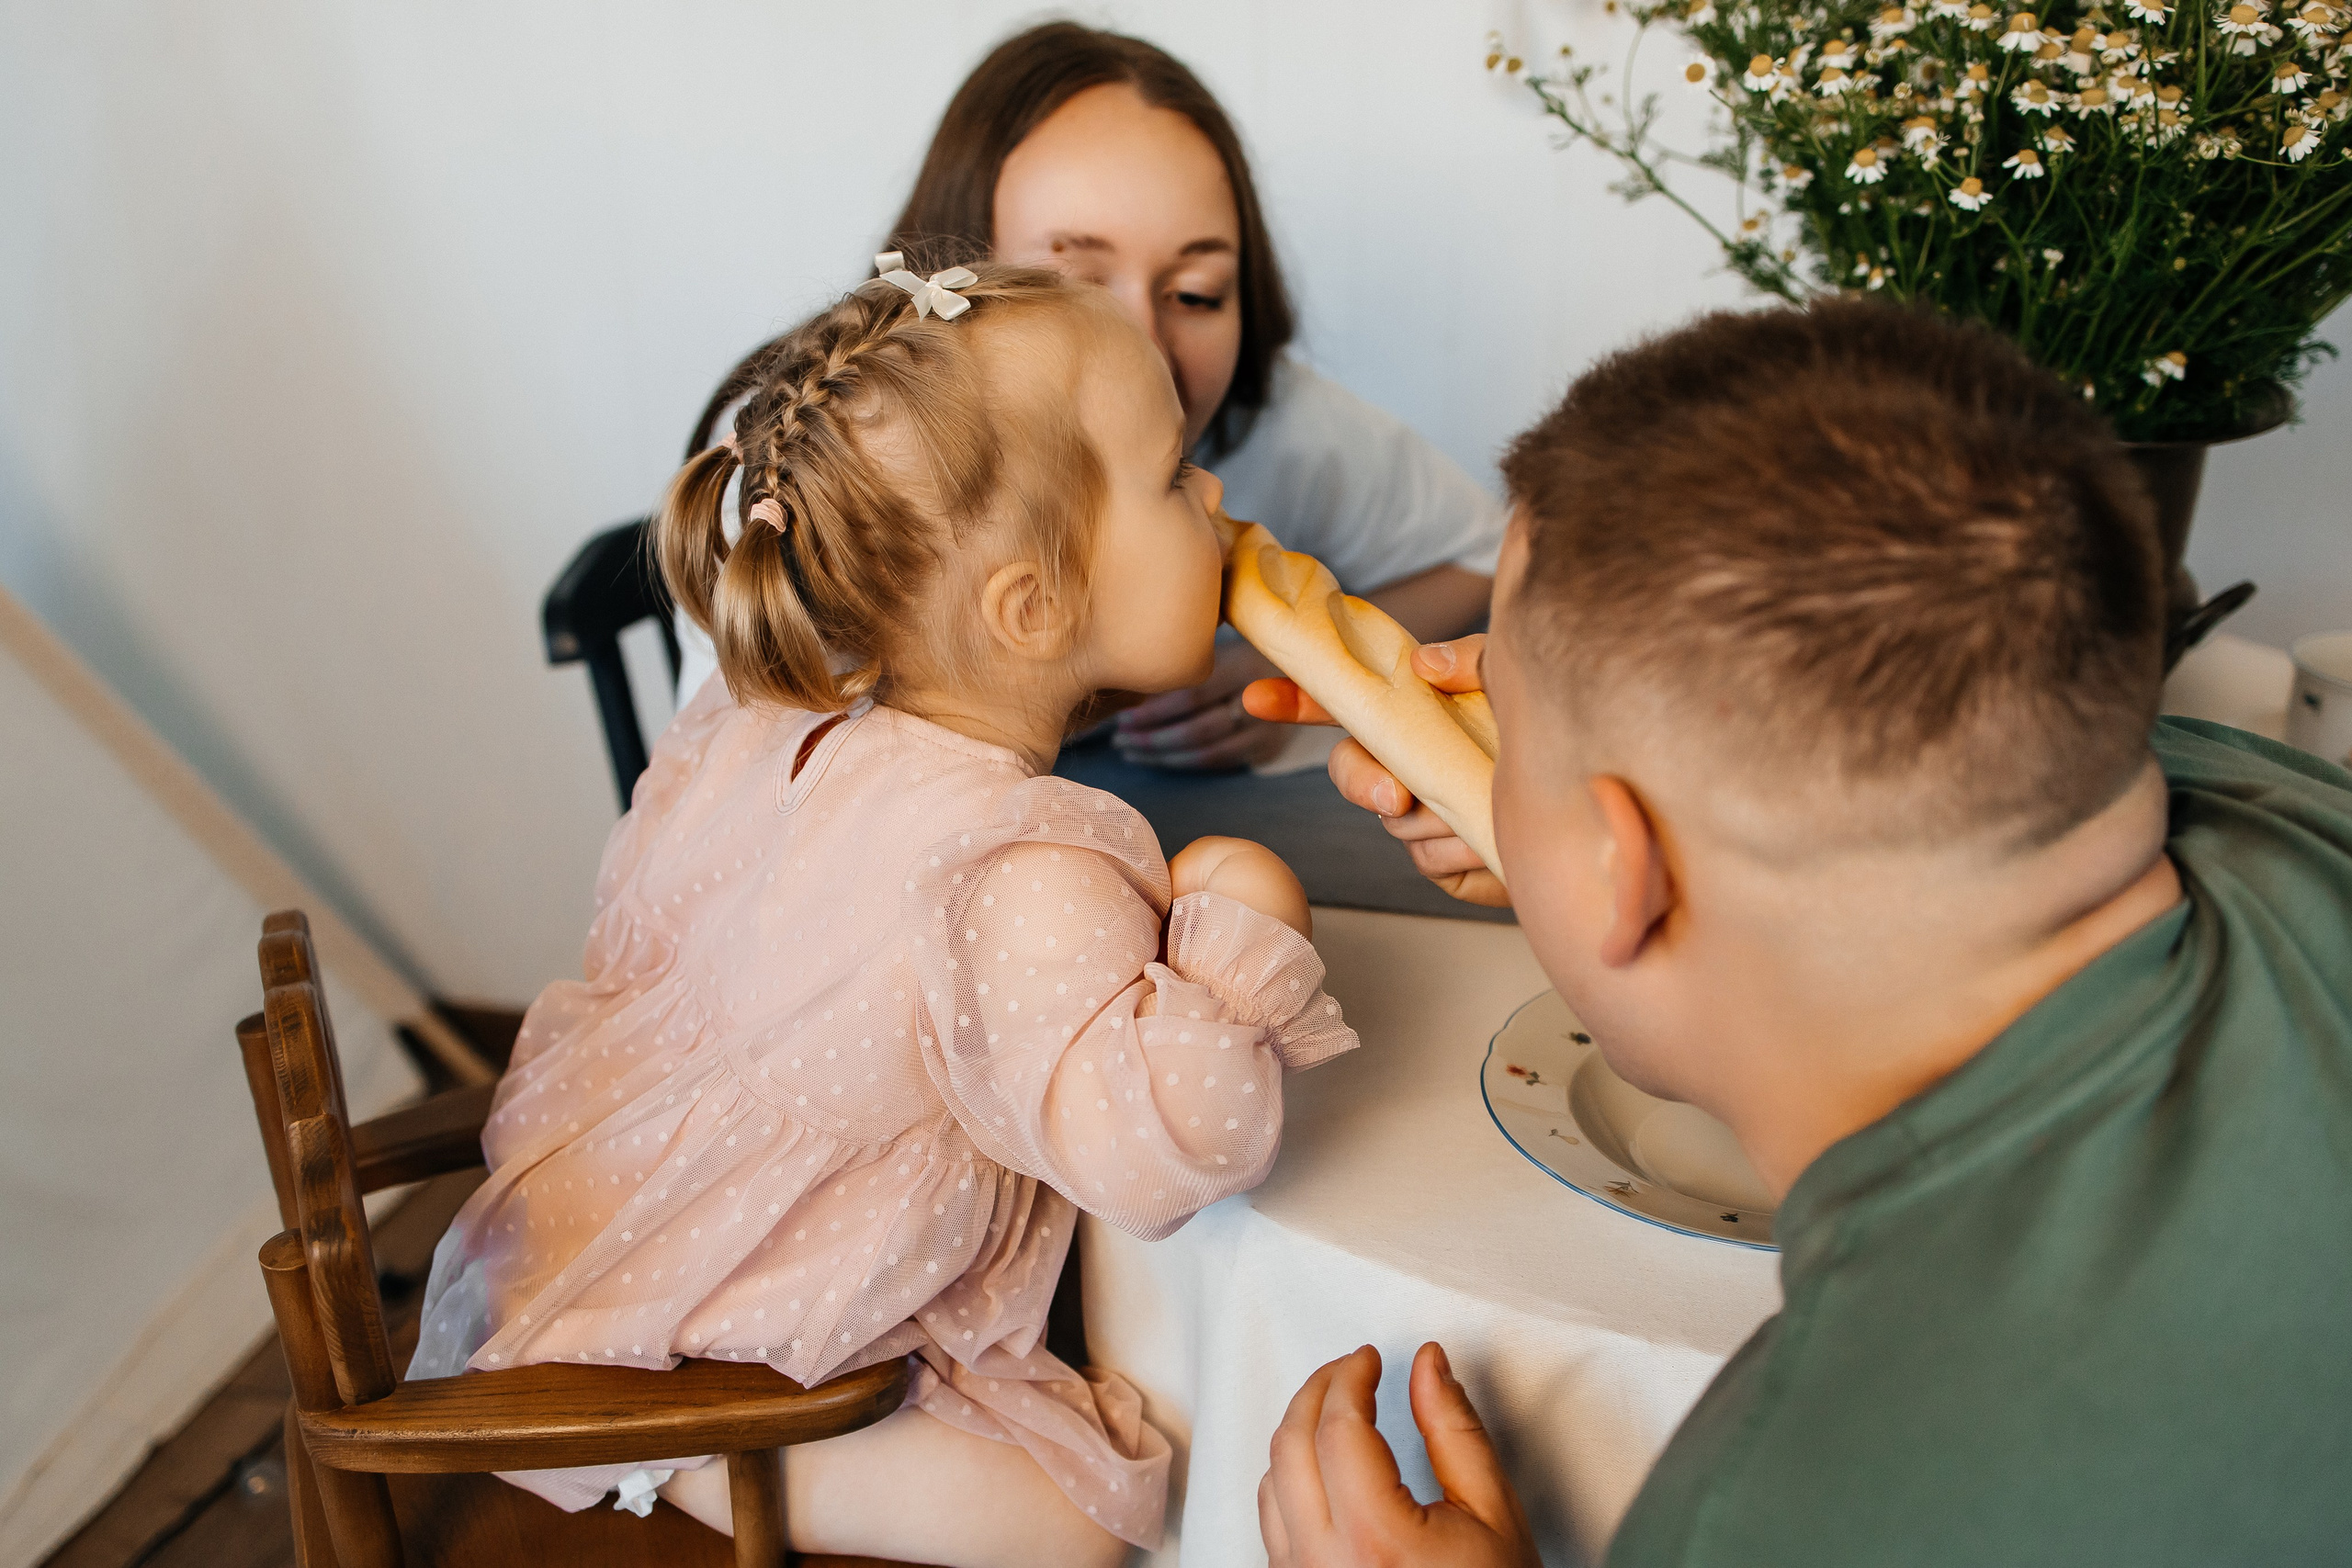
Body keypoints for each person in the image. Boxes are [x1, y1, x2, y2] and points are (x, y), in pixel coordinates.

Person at [1245, 299, 2352, 1565]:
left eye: (1505, 709)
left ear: (1626, 871)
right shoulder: (2289, 807)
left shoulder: (1787, 1501)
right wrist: (1575, 809)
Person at [411, 262, 1361, 1566]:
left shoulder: (779, 721)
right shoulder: (1018, 871)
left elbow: (635, 933)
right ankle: (692, 1457)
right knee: (1085, 1520)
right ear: (1031, 605)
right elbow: (1158, 1159)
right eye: (1172, 478)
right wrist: (1245, 914)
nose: (1215, 499)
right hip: (730, 1302)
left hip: (620, 1202)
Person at [674, 21, 1502, 770]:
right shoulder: (813, 466)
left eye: (1200, 292)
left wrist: (1279, 677)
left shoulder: (1277, 423)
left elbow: (1484, 554)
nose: (1144, 341)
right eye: (1076, 284)